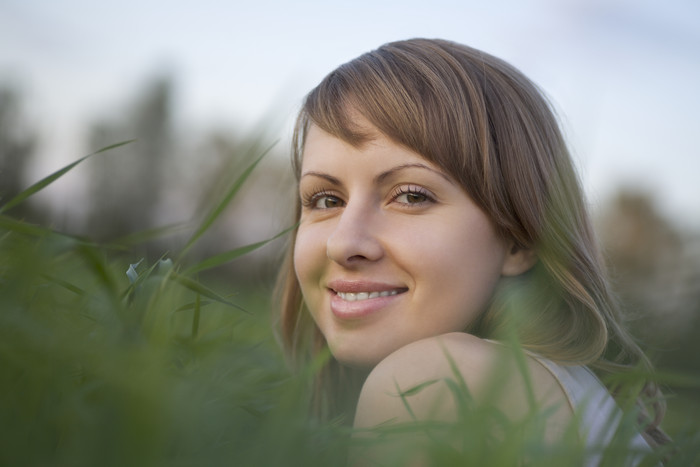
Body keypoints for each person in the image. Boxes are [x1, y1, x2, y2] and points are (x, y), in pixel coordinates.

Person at [275, 38, 667, 464]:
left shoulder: (433, 384)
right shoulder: (560, 393)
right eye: (326, 200)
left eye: (410, 196)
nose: (343, 243)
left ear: (520, 240)